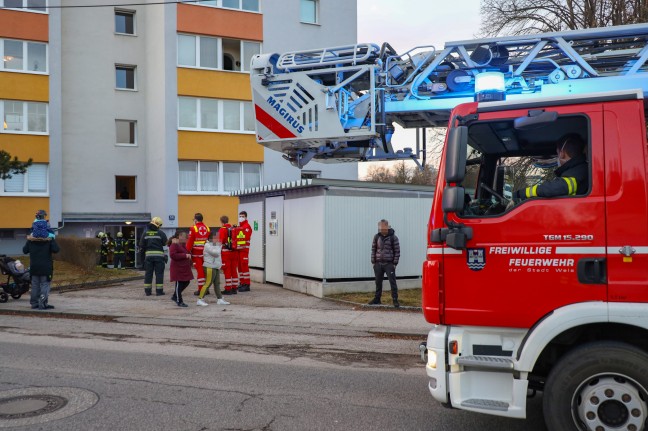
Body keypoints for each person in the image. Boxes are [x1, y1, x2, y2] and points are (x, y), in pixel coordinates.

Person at [514, 135, 588, 200]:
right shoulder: (578, 168)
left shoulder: (579, 170)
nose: (558, 157)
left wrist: (522, 193)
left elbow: (557, 187)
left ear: (562, 154)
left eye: (557, 154)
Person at [23, 233, 60, 310]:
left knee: (35, 286)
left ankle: (34, 304)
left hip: (34, 268)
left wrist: (28, 240)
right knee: (45, 285)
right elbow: (56, 250)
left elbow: (25, 250)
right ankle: (42, 303)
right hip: (46, 268)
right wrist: (52, 240)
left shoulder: (31, 240)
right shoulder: (49, 240)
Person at [369, 219, 400, 308]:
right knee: (378, 282)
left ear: (387, 226)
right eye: (380, 227)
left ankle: (395, 300)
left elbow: (397, 251)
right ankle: (377, 299)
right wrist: (373, 262)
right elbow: (373, 249)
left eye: (383, 226)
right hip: (378, 264)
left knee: (392, 282)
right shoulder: (376, 237)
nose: (381, 228)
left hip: (389, 264)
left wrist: (394, 263)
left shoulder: (393, 237)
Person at [197, 232, 230, 306]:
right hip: (210, 266)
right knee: (208, 283)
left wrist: (219, 245)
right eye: (216, 238)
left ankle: (220, 299)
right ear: (211, 238)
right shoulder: (207, 245)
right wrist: (220, 246)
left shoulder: (215, 245)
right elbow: (216, 253)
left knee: (217, 284)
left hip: (216, 266)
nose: (218, 239)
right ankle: (200, 299)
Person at [139, 216, 168, 296]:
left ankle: (148, 292)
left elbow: (141, 245)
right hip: (159, 257)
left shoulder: (145, 233)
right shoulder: (161, 233)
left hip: (148, 257)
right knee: (159, 274)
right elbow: (165, 243)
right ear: (158, 225)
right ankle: (159, 292)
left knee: (148, 273)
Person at [186, 213, 211, 296]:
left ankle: (201, 290)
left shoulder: (193, 228)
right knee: (205, 271)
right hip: (205, 253)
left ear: (196, 220)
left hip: (196, 254)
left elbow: (190, 241)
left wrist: (187, 251)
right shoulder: (207, 228)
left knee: (200, 272)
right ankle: (206, 289)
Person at [168, 231, 193, 307]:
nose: (186, 239)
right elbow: (173, 255)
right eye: (185, 238)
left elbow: (187, 252)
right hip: (178, 268)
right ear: (180, 236)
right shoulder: (174, 244)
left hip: (184, 267)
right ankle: (179, 300)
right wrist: (185, 255)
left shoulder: (182, 244)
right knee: (179, 284)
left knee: (187, 282)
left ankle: (175, 296)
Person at [219, 215, 239, 295]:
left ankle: (228, 288)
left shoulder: (222, 230)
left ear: (221, 222)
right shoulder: (233, 228)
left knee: (227, 270)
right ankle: (234, 288)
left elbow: (220, 241)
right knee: (234, 270)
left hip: (226, 252)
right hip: (234, 252)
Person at [236, 211, 253, 292]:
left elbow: (245, 238)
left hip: (244, 250)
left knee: (244, 266)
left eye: (242, 216)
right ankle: (242, 282)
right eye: (240, 216)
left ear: (246, 217)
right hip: (239, 249)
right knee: (240, 267)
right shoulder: (240, 226)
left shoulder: (247, 227)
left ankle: (247, 284)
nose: (241, 217)